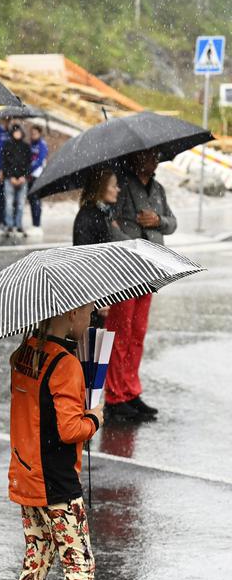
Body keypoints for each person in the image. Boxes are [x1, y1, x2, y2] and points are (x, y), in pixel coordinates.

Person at [4, 306, 141, 580]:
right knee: (80, 563)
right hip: (58, 483)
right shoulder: (65, 364)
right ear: (68, 315)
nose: (93, 315)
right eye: (87, 311)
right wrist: (95, 416)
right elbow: (69, 429)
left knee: (38, 554)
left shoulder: (26, 352)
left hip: (27, 475)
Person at [105, 149, 176, 422]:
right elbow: (110, 224)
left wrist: (159, 221)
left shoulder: (158, 188)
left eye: (156, 156)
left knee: (137, 333)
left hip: (151, 268)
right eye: (148, 156)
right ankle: (115, 396)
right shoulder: (121, 185)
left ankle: (131, 391)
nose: (154, 160)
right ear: (135, 158)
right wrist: (131, 244)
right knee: (119, 333)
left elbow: (172, 223)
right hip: (128, 268)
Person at [72, 168, 127, 247]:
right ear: (102, 188)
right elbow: (82, 249)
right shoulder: (88, 216)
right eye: (114, 186)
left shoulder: (105, 213)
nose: (118, 189)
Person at [0, 124, 31, 235]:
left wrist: (24, 176)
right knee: (8, 204)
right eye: (15, 131)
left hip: (23, 179)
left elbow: (29, 163)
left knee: (21, 204)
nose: (17, 133)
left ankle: (18, 225)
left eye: (19, 131)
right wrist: (10, 176)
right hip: (10, 179)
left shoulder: (26, 147)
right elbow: (4, 163)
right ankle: (9, 225)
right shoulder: (7, 146)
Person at [28, 125, 48, 234]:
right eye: (31, 133)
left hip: (38, 175)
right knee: (32, 200)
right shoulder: (30, 144)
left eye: (35, 133)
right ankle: (34, 224)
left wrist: (29, 169)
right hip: (30, 176)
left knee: (36, 200)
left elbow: (40, 160)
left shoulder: (42, 145)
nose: (33, 135)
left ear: (39, 134)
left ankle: (37, 224)